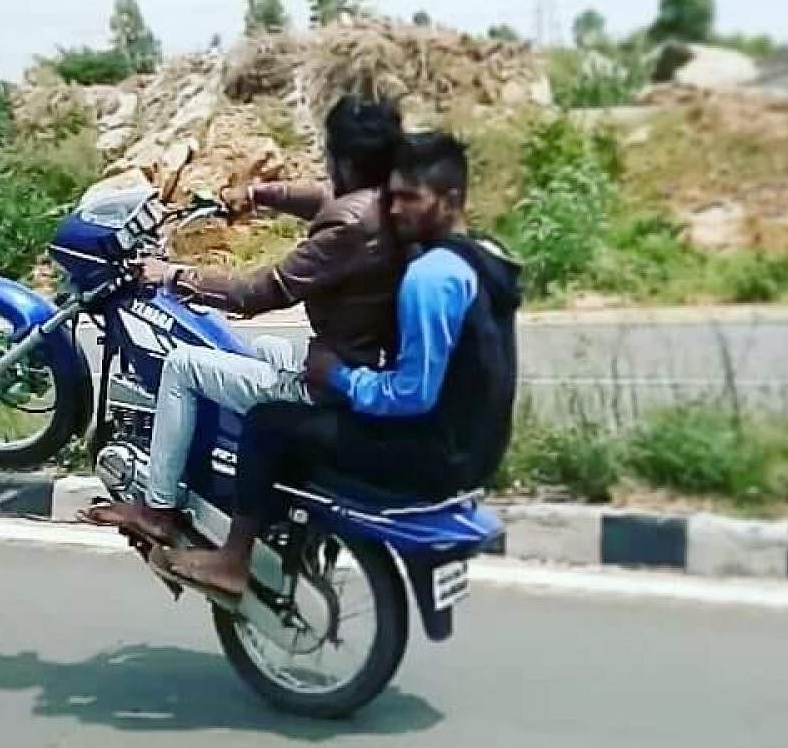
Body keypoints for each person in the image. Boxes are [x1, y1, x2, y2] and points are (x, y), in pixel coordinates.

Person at [153, 131, 522, 600]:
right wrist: (261, 193)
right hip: (480, 444)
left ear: (449, 199)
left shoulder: (428, 278)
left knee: (269, 424)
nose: (392, 210)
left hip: (434, 454)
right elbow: (331, 201)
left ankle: (232, 558)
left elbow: (412, 394)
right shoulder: (480, 253)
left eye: (409, 199)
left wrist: (340, 377)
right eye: (391, 196)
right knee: (274, 357)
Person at [81, 95, 404, 543]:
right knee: (260, 348)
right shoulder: (387, 201)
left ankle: (158, 509)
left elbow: (259, 293)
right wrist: (255, 194)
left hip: (333, 381)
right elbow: (321, 197)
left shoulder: (347, 230)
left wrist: (174, 274)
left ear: (344, 159)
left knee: (182, 364)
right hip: (366, 360)